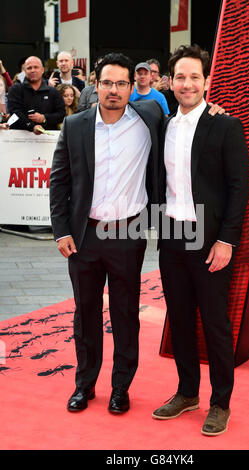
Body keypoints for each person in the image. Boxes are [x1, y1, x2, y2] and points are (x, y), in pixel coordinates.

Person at [49, 52, 164, 414]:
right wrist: (60, 230)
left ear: (134, 86)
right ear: (96, 85)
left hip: (128, 235)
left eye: (121, 83)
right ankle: (85, 385)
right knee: (85, 313)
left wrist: (214, 109)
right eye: (107, 83)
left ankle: (121, 387)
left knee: (126, 313)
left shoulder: (151, 119)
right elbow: (59, 179)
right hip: (84, 236)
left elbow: (190, 122)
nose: (113, 90)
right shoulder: (76, 125)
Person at [152, 44, 249, 436]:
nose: (187, 83)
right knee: (179, 320)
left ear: (207, 81)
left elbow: (239, 187)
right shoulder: (163, 124)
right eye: (180, 77)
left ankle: (220, 401)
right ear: (170, 82)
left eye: (195, 76)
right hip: (173, 234)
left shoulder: (225, 125)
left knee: (215, 324)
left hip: (210, 239)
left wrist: (227, 240)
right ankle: (187, 392)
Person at [7, 56, 65, 134]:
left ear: (42, 70)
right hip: (19, 139)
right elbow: (15, 112)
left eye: (36, 67)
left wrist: (44, 118)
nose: (33, 70)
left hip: (48, 141)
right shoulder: (15, 89)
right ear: (24, 71)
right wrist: (32, 126)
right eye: (29, 68)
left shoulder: (53, 92)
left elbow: (61, 114)